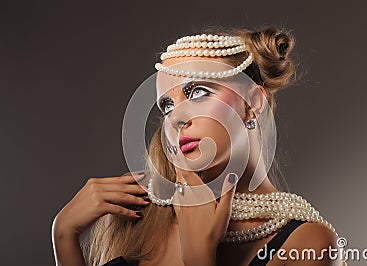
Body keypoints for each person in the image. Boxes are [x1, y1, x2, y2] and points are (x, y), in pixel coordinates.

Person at [52, 25, 345, 266]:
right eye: (167, 105)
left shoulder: (309, 245)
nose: (176, 117)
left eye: (198, 92)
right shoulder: (142, 220)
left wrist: (200, 259)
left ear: (252, 103)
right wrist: (64, 235)